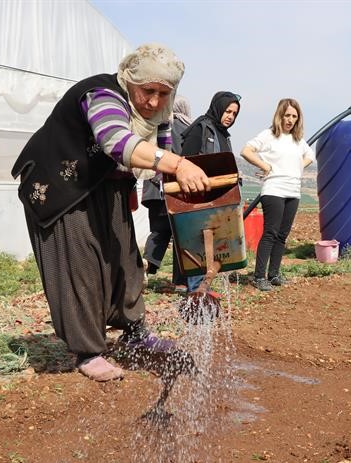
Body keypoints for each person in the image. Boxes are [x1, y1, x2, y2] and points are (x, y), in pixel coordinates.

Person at [12, 43, 211, 381]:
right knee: (81, 264)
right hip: (62, 190)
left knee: (127, 261)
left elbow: (155, 158)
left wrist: (189, 209)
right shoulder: (102, 93)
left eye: (164, 94)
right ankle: (87, 351)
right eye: (147, 91)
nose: (153, 102)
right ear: (130, 79)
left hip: (105, 185)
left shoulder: (158, 115)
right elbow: (116, 141)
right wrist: (179, 165)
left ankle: (134, 333)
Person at [241, 98, 314, 291]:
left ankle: (274, 275)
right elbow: (246, 151)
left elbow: (310, 156)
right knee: (270, 233)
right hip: (274, 189)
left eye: (294, 116)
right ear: (280, 116)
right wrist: (265, 166)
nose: (290, 120)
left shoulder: (298, 139)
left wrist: (297, 168)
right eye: (287, 115)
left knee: (282, 235)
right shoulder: (269, 135)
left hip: (293, 190)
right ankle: (259, 276)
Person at [179, 91, 242, 293]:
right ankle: (196, 291)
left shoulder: (223, 135)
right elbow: (185, 161)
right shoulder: (201, 128)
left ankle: (203, 288)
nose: (230, 117)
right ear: (217, 107)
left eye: (234, 114)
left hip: (218, 199)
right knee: (199, 245)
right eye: (227, 111)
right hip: (198, 199)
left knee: (216, 245)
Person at [142, 95, 192, 287]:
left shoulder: (156, 125)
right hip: (172, 189)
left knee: (158, 231)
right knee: (181, 235)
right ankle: (180, 281)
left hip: (152, 189)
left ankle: (146, 264)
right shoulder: (185, 128)